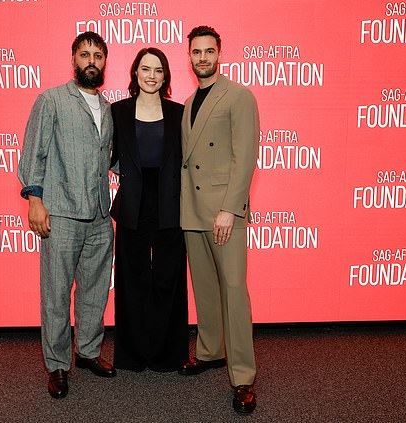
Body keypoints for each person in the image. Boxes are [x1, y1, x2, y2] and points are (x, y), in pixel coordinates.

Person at [18, 31, 116, 400]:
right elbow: (34, 154)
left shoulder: (107, 108)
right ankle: (58, 365)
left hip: (100, 217)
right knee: (56, 293)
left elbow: (112, 159)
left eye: (98, 55)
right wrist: (34, 201)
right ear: (73, 60)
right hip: (59, 214)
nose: (91, 61)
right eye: (84, 54)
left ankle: (88, 351)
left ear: (105, 62)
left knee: (94, 292)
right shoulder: (52, 100)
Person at [178, 26, 260, 414]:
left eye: (209, 51)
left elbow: (245, 157)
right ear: (189, 56)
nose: (203, 58)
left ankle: (242, 375)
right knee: (206, 289)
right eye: (197, 52)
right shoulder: (190, 99)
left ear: (220, 53)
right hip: (193, 211)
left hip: (223, 211)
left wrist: (231, 208)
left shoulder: (239, 95)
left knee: (233, 290)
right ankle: (210, 351)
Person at [110, 48, 188, 372]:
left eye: (158, 70)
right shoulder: (117, 111)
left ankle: (168, 354)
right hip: (133, 201)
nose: (152, 76)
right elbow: (106, 153)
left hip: (171, 200)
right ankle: (133, 354)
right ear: (136, 73)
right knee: (132, 278)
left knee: (169, 278)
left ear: (165, 76)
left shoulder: (179, 113)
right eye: (146, 69)